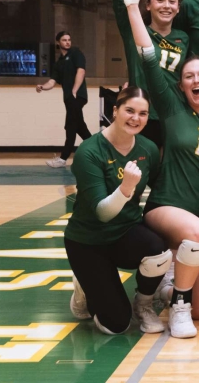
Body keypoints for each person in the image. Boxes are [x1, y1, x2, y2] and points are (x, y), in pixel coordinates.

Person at [123, 0, 199, 338]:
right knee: (196, 233)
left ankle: (167, 289)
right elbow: (147, 54)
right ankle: (173, 304)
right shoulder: (172, 109)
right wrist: (131, 7)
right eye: (189, 76)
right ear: (182, 85)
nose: (195, 79)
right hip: (167, 206)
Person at [64, 87, 172, 335]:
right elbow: (103, 212)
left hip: (125, 233)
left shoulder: (148, 149)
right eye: (129, 110)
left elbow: (162, 190)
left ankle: (143, 306)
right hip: (87, 241)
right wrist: (126, 188)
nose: (136, 118)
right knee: (116, 325)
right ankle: (85, 285)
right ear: (115, 110)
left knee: (159, 251)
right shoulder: (89, 152)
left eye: (143, 113)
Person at [96, 0, 189, 148]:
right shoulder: (134, 31)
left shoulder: (185, 39)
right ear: (147, 5)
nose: (166, 6)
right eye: (160, 0)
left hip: (175, 117)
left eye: (172, 1)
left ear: (178, 7)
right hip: (141, 115)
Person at [37, 31, 92, 168]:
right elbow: (52, 81)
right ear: (58, 42)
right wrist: (43, 87)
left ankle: (63, 159)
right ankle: (101, 150)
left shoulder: (76, 53)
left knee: (71, 127)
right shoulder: (59, 63)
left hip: (77, 96)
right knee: (80, 127)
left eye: (69, 39)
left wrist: (74, 90)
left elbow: (81, 71)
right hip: (68, 98)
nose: (67, 42)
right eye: (64, 40)